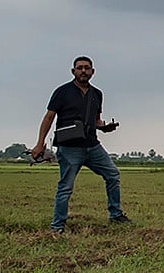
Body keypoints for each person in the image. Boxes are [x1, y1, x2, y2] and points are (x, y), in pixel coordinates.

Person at [33, 56, 131, 237]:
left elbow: (96, 120)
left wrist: (104, 127)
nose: (83, 71)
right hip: (69, 148)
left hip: (92, 146)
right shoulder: (62, 92)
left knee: (113, 174)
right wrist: (40, 143)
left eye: (87, 68)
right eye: (80, 68)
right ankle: (57, 226)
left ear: (93, 72)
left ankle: (115, 215)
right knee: (66, 187)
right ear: (73, 71)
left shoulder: (97, 94)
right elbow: (49, 117)